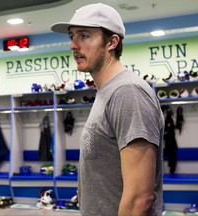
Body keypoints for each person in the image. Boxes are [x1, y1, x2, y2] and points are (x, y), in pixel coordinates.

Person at [51, 3, 164, 216]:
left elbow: (140, 198)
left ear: (112, 42)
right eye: (72, 36)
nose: (73, 45)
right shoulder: (107, 92)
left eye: (84, 36)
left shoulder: (127, 92)